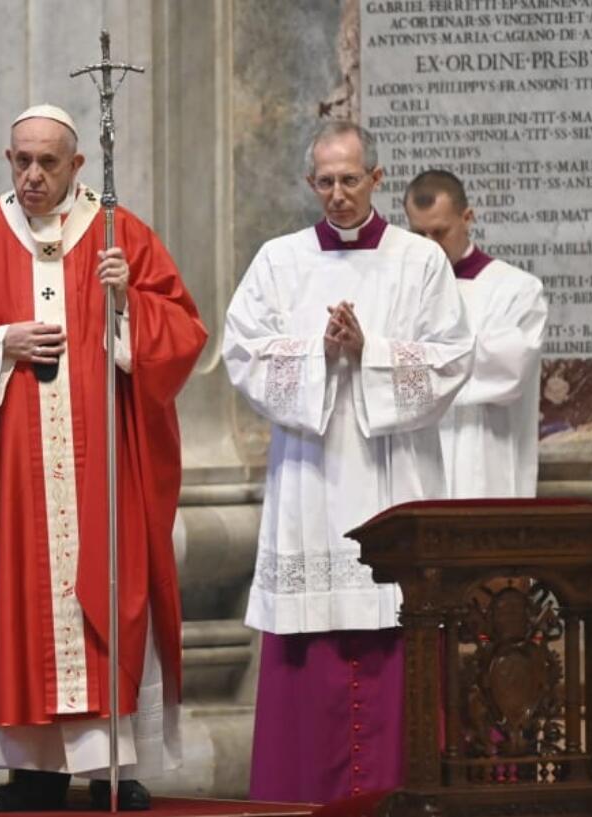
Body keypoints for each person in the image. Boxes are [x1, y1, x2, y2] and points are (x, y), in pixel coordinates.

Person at [0, 104, 207, 812]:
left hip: (102, 462)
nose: (33, 174)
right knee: (22, 601)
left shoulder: (119, 233)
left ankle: (113, 762)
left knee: (110, 590)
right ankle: (32, 771)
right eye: (21, 160)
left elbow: (184, 332)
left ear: (78, 165)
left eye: (48, 161)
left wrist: (127, 301)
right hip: (16, 468)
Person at [222, 121, 474, 804]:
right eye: (325, 181)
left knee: (396, 625)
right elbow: (240, 350)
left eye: (350, 179)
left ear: (376, 179)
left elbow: (454, 356)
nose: (337, 193)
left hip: (393, 474)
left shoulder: (419, 262)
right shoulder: (278, 260)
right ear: (311, 183)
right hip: (312, 476)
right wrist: (315, 352)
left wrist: (372, 351)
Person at [404, 169, 548, 498]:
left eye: (439, 232)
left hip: (482, 457)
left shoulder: (516, 289)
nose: (429, 247)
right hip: (414, 460)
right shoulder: (399, 291)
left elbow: (509, 370)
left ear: (467, 218)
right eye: (418, 234)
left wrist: (423, 355)